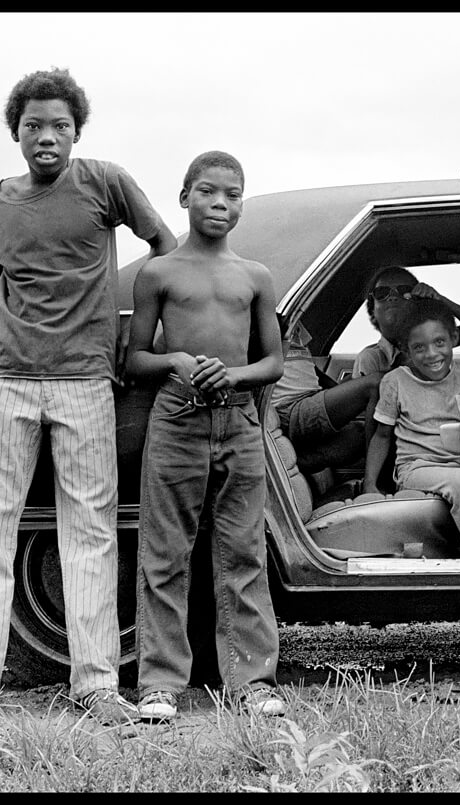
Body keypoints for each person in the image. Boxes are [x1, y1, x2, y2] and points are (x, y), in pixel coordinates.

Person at [0, 68, 176, 725]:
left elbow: (164, 247)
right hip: (6, 379)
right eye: (32, 126)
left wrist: (143, 334)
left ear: (77, 131)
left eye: (58, 125)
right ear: (16, 135)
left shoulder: (105, 182)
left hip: (85, 382)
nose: (46, 136)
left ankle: (98, 686)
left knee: (90, 535)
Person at [125, 151, 286, 722]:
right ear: (184, 197)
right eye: (209, 192)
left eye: (233, 195)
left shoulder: (255, 276)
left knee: (243, 553)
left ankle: (252, 683)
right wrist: (176, 360)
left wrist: (234, 374)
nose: (221, 203)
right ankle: (161, 684)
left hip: (239, 420)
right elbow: (134, 359)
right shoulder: (159, 273)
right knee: (166, 554)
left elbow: (273, 362)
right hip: (178, 418)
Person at [362, 297, 460, 558]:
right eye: (419, 347)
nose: (431, 354)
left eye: (439, 342)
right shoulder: (396, 382)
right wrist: (370, 483)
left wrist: (442, 301)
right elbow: (382, 436)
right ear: (406, 350)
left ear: (454, 338)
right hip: (417, 468)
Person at [271, 318, 383, 475]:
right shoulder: (260, 320)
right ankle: (374, 481)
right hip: (290, 408)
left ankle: (297, 462)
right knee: (376, 384)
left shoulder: (293, 321)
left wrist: (341, 391)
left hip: (310, 398)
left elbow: (311, 368)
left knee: (358, 434)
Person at [352, 265, 460, 379]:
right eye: (381, 293)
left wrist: (440, 300)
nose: (392, 297)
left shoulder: (432, 341)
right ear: (373, 311)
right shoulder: (371, 357)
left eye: (404, 291)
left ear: (417, 303)